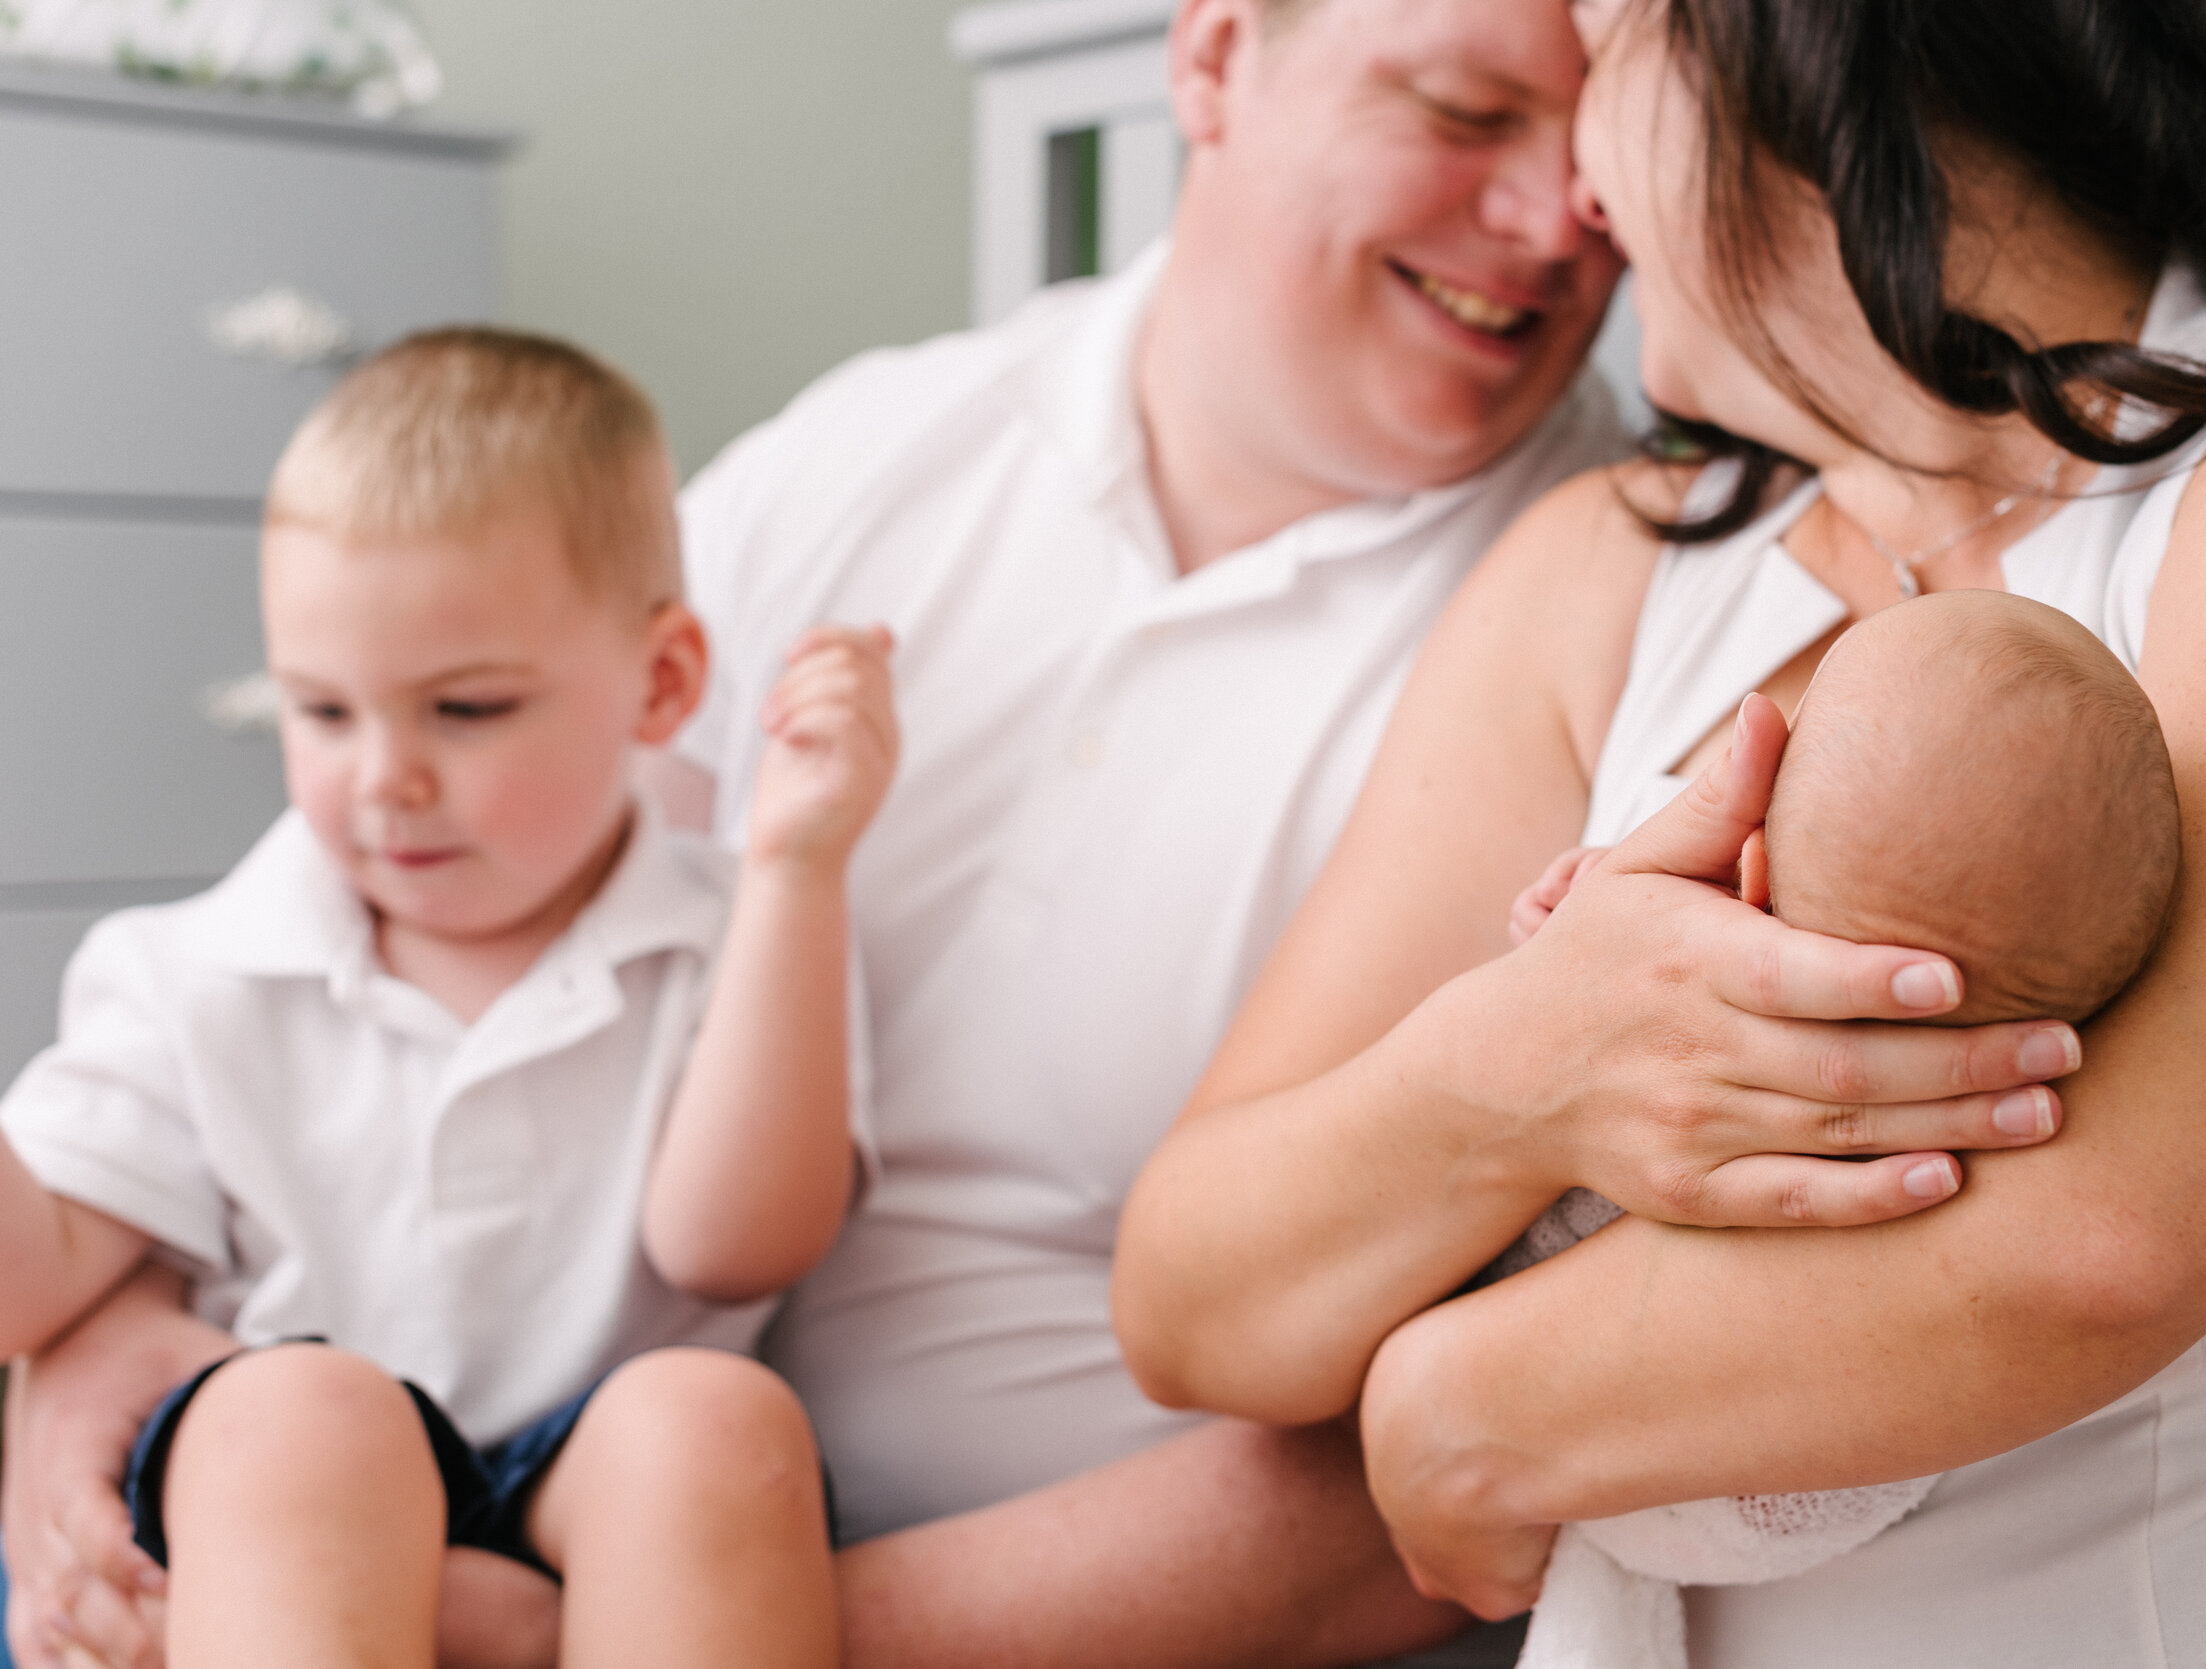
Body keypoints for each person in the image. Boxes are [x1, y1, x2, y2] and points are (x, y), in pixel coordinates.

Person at [7, 3, 2084, 1666]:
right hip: (520, 1478)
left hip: (856, 1604)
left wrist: (630, 1633)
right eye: (1460, 107)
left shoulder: (1607, 607)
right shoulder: (872, 456)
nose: (1552, 218)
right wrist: (103, 1345)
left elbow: (1500, 1442)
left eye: (1590, 140)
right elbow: (355, 907)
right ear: (1207, 59)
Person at [1114, 0, 2206, 1660]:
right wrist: (1530, 1063)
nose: (1572, 191)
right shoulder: (1613, 568)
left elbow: (2113, 1240)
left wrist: (1458, 1392)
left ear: (1790, 50)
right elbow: (1196, 1295)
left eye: (1609, 52)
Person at [0, 329, 898, 1667]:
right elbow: (30, 1290)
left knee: (717, 1421)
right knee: (293, 1412)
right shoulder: (188, 969)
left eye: (464, 710)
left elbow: (735, 1247)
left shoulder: (742, 928)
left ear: (660, 685)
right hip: (282, 1506)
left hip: (586, 1483)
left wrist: (800, 868)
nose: (384, 780)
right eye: (321, 712)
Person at [1491, 590, 2181, 1669]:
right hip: (1820, 1480)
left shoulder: (1700, 991)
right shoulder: (2000, 1106)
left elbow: (1539, 1050)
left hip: (1589, 1423)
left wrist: (1575, 925)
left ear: (1750, 864)